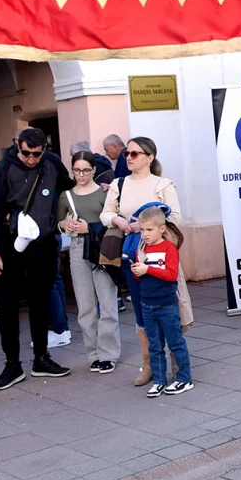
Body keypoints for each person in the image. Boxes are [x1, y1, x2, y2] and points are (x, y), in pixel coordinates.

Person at [0, 128, 73, 390]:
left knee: (41, 300)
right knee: (8, 304)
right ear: (17, 146)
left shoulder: (52, 162)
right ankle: (12, 363)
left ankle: (41, 357)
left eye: (36, 154)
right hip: (11, 242)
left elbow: (67, 188)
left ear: (44, 149)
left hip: (43, 242)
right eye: (26, 153)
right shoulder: (3, 169)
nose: (31, 159)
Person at [100, 136, 187, 386]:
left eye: (135, 153)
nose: (129, 157)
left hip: (161, 252)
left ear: (149, 158)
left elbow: (177, 217)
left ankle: (176, 360)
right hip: (132, 253)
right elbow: (106, 213)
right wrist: (119, 221)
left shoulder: (162, 184)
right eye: (127, 152)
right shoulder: (119, 184)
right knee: (141, 307)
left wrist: (147, 225)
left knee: (169, 303)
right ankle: (148, 362)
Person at [58, 151, 120, 374]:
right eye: (76, 170)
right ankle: (92, 353)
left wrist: (90, 228)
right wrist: (64, 224)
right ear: (71, 170)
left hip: (102, 247)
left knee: (107, 301)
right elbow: (59, 220)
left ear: (94, 170)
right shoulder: (66, 195)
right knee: (85, 305)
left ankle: (108, 353)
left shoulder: (106, 192)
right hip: (77, 248)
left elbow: (114, 221)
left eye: (85, 169)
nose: (81, 174)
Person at [130, 207, 192, 397]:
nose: (145, 234)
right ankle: (159, 381)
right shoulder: (142, 248)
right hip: (147, 304)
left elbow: (171, 275)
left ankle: (184, 378)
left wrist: (147, 269)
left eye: (149, 230)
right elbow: (142, 278)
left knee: (175, 343)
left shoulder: (168, 248)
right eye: (142, 230)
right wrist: (138, 270)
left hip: (166, 304)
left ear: (162, 229)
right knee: (155, 346)